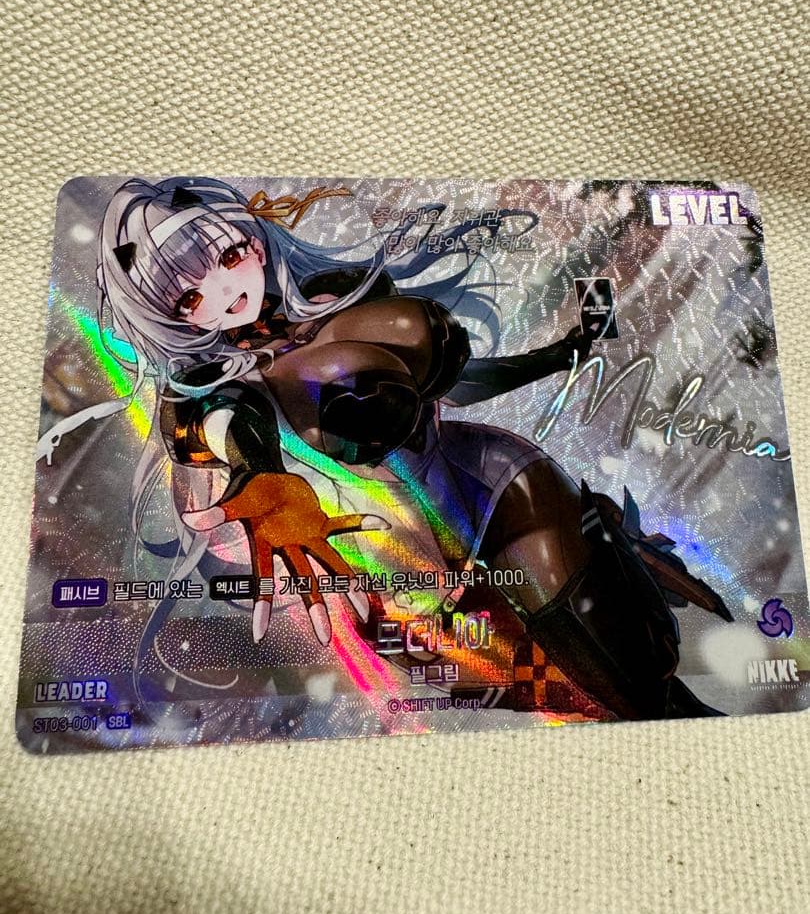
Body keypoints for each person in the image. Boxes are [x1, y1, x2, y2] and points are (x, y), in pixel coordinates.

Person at [38, 176, 732, 720]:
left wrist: (561, 352)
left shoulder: (336, 299)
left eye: (226, 256)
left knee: (628, 664)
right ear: (166, 317)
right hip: (381, 553)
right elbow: (229, 424)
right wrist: (263, 475)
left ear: (250, 238)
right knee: (571, 694)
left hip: (474, 477)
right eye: (189, 297)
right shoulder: (201, 391)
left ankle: (666, 688)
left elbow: (457, 381)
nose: (223, 291)